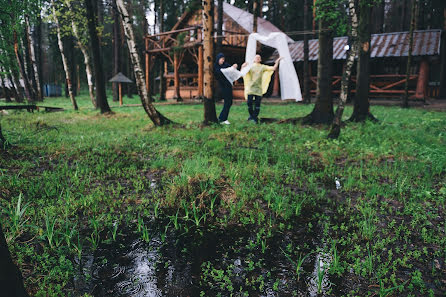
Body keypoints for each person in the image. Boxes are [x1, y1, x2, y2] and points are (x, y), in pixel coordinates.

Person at [242, 55, 282, 123]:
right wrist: (243, 66)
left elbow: (273, 68)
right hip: (250, 88)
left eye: (259, 58)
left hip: (258, 89)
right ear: (254, 59)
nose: (258, 58)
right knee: (249, 103)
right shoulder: (250, 66)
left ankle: (255, 117)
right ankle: (251, 116)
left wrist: (277, 61)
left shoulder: (262, 67)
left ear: (260, 60)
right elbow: (242, 72)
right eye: (256, 57)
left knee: (257, 104)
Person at [214, 53, 237, 125]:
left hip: (228, 86)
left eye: (223, 59)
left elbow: (232, 70)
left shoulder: (226, 65)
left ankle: (223, 118)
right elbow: (219, 72)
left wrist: (234, 66)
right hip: (221, 86)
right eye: (221, 59)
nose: (223, 60)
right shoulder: (215, 66)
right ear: (218, 59)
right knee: (227, 102)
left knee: (229, 102)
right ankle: (222, 118)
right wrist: (229, 69)